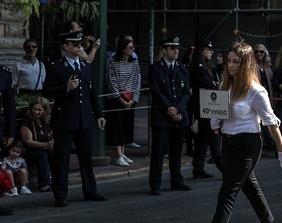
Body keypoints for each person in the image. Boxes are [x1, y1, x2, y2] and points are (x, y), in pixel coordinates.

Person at [183, 42, 282, 223]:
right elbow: (219, 113)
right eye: (230, 61)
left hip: (249, 145)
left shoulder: (256, 91)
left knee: (228, 191)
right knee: (250, 188)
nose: (231, 65)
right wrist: (215, 120)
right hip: (229, 143)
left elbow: (271, 122)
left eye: (236, 62)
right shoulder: (227, 85)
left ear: (246, 64)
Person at [42, 31, 106, 206]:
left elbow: (93, 93)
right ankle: (60, 195)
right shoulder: (56, 66)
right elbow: (46, 90)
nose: (79, 47)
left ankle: (90, 191)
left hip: (84, 118)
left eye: (80, 44)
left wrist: (99, 114)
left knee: (86, 157)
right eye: (75, 44)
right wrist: (66, 87)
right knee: (62, 158)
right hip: (65, 119)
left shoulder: (85, 66)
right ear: (66, 46)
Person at [148, 37, 191, 195]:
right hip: (162, 116)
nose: (176, 51)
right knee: (159, 151)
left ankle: (176, 180)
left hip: (179, 116)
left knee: (176, 151)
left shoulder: (182, 68)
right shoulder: (155, 68)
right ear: (164, 50)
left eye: (177, 48)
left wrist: (178, 109)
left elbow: (186, 92)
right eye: (172, 48)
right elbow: (156, 91)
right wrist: (169, 108)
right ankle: (155, 183)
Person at [189, 40, 226, 180]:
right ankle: (225, 169)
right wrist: (218, 85)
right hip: (204, 108)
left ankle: (198, 169)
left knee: (202, 141)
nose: (211, 51)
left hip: (206, 108)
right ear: (201, 51)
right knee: (214, 140)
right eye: (208, 49)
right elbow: (211, 85)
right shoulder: (199, 67)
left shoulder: (205, 66)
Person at [106, 35, 141, 167]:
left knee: (126, 125)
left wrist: (133, 99)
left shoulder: (134, 62)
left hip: (130, 98)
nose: (133, 49)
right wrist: (120, 99)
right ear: (123, 48)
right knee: (118, 126)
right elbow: (111, 81)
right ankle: (118, 155)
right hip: (117, 99)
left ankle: (123, 153)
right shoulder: (113, 62)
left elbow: (137, 81)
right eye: (130, 47)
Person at [20, 97, 53, 192]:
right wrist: (46, 144)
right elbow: (28, 142)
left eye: (39, 110)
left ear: (45, 111)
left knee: (54, 153)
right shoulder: (27, 122)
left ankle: (59, 180)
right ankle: (44, 185)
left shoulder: (46, 121)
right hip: (29, 151)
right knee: (42, 155)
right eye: (34, 109)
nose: (36, 112)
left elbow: (50, 135)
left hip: (44, 147)